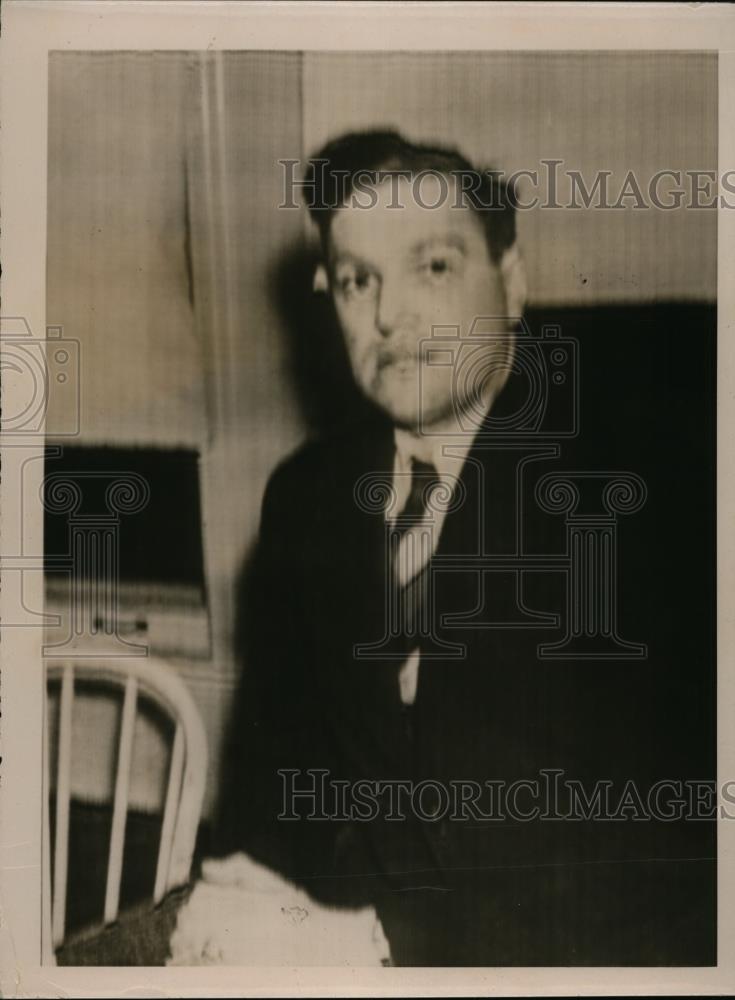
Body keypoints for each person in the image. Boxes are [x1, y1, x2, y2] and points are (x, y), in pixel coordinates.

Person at [218, 130, 716, 965]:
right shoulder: (305, 496)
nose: (387, 315)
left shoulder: (646, 475)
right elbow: (273, 778)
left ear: (511, 281)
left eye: (433, 267)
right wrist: (246, 905)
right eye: (355, 281)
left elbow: (677, 837)